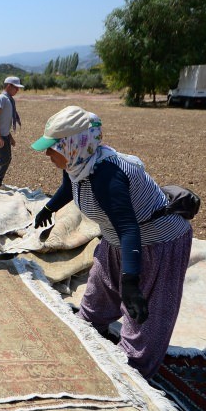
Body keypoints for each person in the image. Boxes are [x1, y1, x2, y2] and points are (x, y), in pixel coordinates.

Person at [31, 106, 192, 378]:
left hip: (156, 243)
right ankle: (95, 328)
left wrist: (131, 282)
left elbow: (129, 228)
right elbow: (70, 187)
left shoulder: (106, 174)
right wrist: (49, 208)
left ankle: (133, 373)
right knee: (99, 291)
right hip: (117, 239)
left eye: (52, 147)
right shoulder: (78, 163)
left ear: (72, 145)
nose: (47, 154)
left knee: (144, 313)